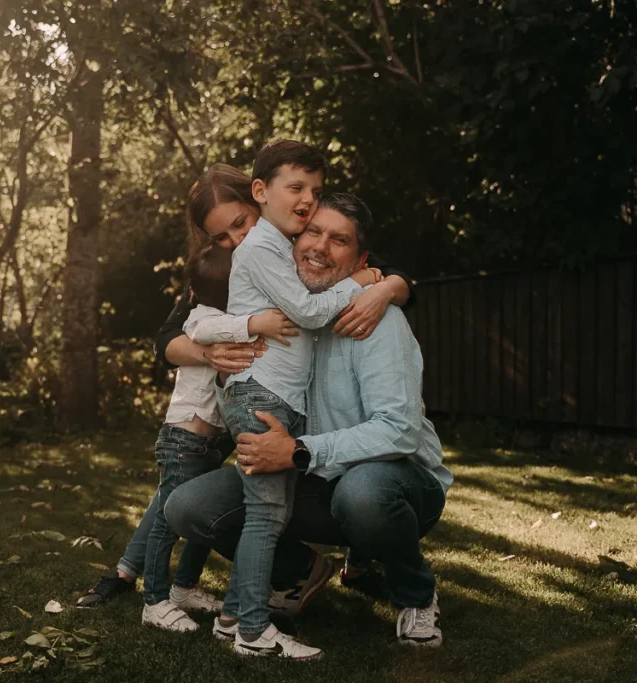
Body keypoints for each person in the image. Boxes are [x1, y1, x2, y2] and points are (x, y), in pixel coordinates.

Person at [75, 162, 414, 610]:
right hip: (233, 400)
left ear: (260, 200)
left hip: (289, 404)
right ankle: (130, 574)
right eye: (221, 237)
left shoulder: (302, 239)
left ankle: (322, 573)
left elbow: (387, 273)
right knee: (190, 494)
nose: (234, 241)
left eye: (239, 224)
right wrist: (210, 353)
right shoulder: (219, 271)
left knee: (288, 490)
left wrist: (386, 287)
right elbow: (167, 338)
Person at [165, 192, 453, 649]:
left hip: (399, 480)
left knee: (363, 494)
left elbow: (399, 430)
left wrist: (299, 450)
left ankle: (415, 593)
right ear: (291, 241)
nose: (320, 246)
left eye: (338, 240)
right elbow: (185, 329)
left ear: (360, 259)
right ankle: (299, 573)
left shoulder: (376, 319)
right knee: (188, 506)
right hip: (312, 477)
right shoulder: (280, 315)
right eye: (312, 233)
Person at [213, 140, 381, 660]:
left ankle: (232, 615)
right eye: (296, 188)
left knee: (268, 511)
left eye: (315, 189)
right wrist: (356, 282)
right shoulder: (259, 248)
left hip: (272, 394)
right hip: (260, 392)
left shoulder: (280, 245)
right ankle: (254, 632)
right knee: (266, 514)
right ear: (261, 192)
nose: (308, 199)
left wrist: (387, 282)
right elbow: (309, 312)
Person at [139, 243, 298, 632]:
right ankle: (154, 601)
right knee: (166, 520)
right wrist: (257, 324)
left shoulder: (224, 315)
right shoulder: (201, 318)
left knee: (199, 522)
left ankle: (183, 588)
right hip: (184, 439)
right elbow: (214, 330)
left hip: (209, 442)